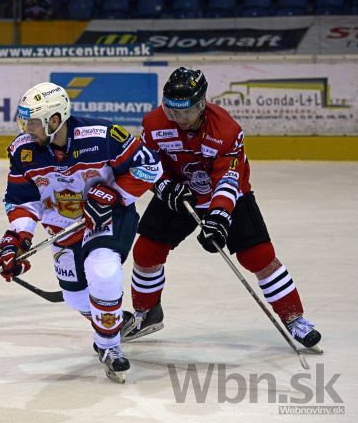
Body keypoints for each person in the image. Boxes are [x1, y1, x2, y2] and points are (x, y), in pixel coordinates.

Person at [123, 67, 322, 351]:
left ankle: (294, 318)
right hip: (180, 194)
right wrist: (164, 186)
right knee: (145, 252)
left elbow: (228, 180)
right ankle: (147, 313)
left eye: (186, 111)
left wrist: (218, 216)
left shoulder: (227, 131)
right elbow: (146, 164)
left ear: (202, 104)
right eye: (171, 110)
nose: (178, 118)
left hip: (226, 195)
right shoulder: (155, 123)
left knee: (259, 257)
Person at [0, 82, 163, 382]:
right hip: (63, 226)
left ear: (55, 120)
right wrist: (18, 238)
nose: (26, 129)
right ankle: (110, 321)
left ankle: (109, 346)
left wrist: (114, 194)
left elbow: (149, 166)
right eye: (24, 121)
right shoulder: (22, 151)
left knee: (102, 269)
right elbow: (22, 199)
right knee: (75, 297)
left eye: (32, 122)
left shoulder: (102, 136)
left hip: (107, 218)